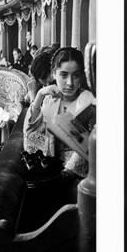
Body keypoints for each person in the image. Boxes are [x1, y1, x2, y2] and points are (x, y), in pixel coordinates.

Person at [23, 47, 95, 178]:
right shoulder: (49, 100)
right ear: (54, 73)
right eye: (63, 75)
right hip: (55, 169)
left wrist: (67, 173)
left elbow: (90, 145)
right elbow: (30, 137)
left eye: (75, 75)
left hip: (80, 176)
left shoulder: (88, 103)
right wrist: (39, 96)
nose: (70, 83)